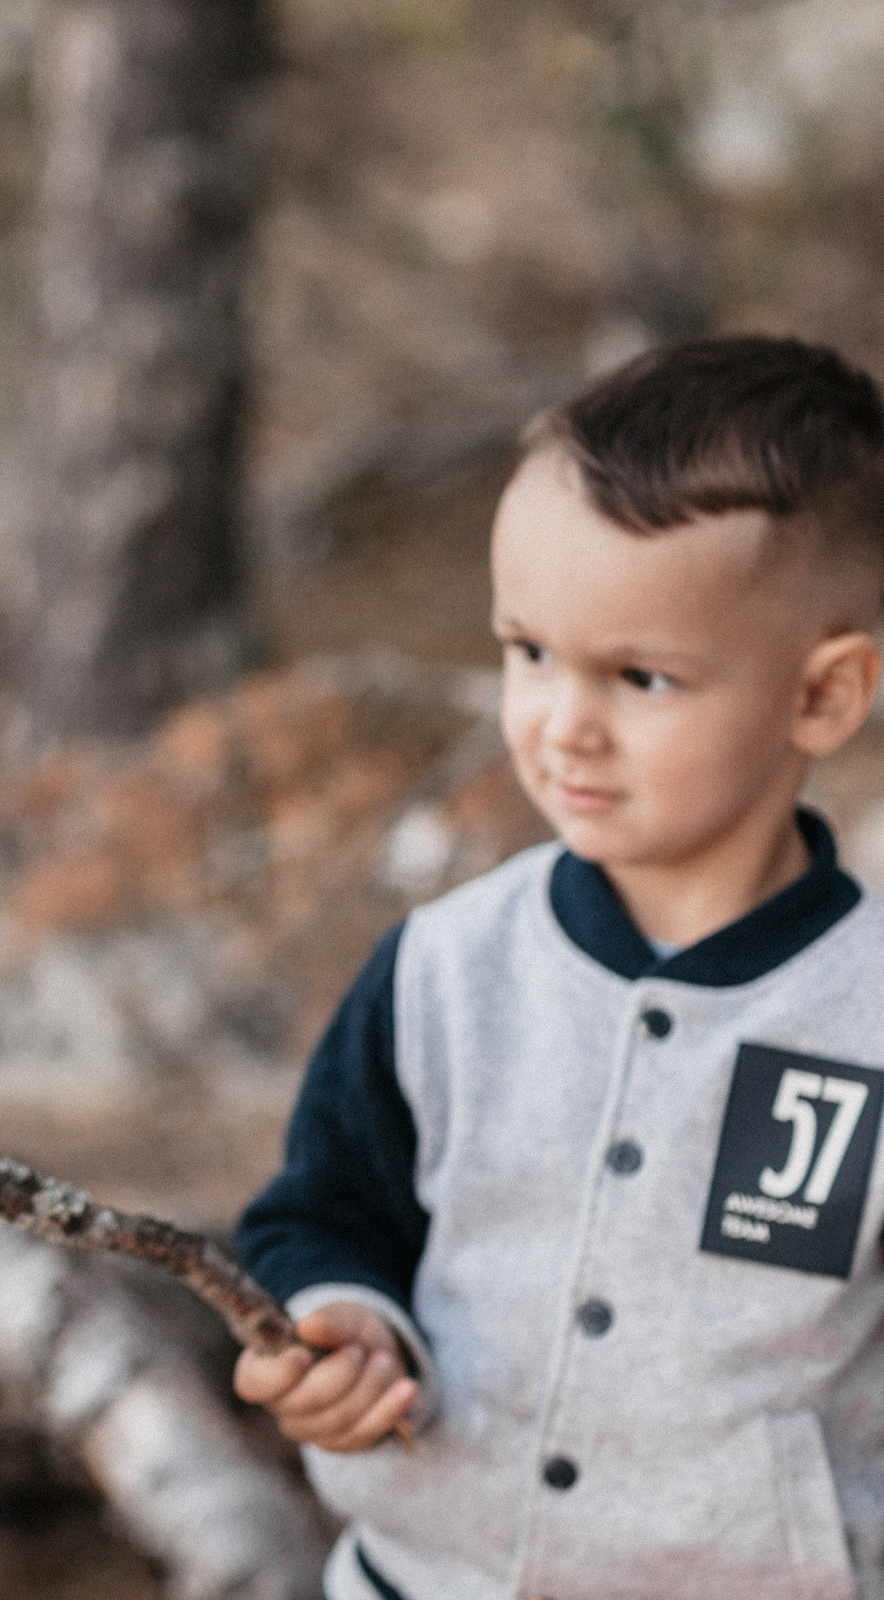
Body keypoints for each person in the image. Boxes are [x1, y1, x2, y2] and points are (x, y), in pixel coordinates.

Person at [231, 334, 884, 1600]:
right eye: (527, 652)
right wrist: (347, 1321)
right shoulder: (443, 971)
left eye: (641, 676)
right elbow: (322, 1214)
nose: (561, 722)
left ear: (822, 697)